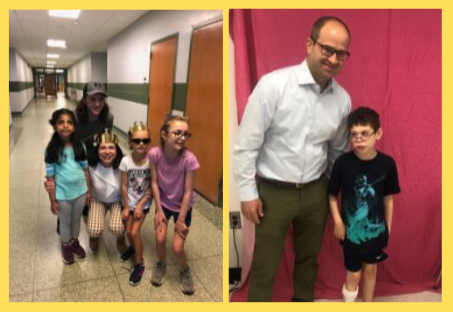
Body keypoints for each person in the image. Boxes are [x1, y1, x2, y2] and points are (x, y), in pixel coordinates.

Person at [233, 16, 352, 301]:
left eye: (341, 53)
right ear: (310, 44)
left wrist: (332, 193)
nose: (333, 59)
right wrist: (248, 193)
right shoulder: (273, 86)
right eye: (327, 49)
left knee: (309, 260)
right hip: (274, 193)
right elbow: (246, 146)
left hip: (316, 192)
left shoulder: (342, 100)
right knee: (265, 265)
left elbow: (337, 152)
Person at [328, 107, 400, 302]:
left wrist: (388, 228)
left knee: (370, 272)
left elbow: (388, 199)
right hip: (350, 231)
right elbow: (332, 195)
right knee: (354, 275)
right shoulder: (343, 163)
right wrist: (338, 222)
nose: (359, 139)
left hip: (376, 233)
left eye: (365, 134)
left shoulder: (387, 164)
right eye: (354, 135)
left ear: (378, 133)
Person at [46, 81, 114, 233]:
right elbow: (61, 142)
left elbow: (106, 140)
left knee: (84, 193)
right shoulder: (74, 118)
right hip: (74, 157)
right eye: (92, 99)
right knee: (68, 191)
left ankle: (84, 210)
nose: (97, 103)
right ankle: (62, 218)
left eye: (101, 99)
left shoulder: (107, 118)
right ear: (84, 99)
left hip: (94, 157)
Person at [148, 115, 200, 295]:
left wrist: (181, 219)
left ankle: (185, 270)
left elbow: (188, 192)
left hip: (182, 206)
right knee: (160, 239)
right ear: (164, 134)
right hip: (163, 203)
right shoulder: (154, 154)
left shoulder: (189, 159)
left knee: (177, 248)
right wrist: (159, 211)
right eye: (177, 132)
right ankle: (161, 263)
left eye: (186, 134)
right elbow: (154, 183)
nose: (182, 137)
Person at [44, 108, 91, 265]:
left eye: (69, 122)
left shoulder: (80, 147)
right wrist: (52, 200)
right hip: (62, 194)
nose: (65, 126)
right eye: (61, 122)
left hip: (81, 192)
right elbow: (50, 178)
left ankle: (74, 242)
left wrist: (89, 192)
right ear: (55, 125)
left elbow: (86, 170)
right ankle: (66, 245)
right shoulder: (51, 150)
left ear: (74, 127)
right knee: (65, 221)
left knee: (76, 219)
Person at [119, 121, 152, 286]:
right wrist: (126, 206)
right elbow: (124, 185)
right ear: (130, 142)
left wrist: (140, 205)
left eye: (145, 141)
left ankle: (140, 264)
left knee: (133, 232)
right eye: (137, 140)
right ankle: (132, 248)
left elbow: (153, 187)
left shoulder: (151, 162)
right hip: (128, 202)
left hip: (143, 204)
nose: (141, 144)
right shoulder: (125, 161)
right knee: (127, 230)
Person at [86, 129, 127, 254]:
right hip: (98, 200)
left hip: (116, 201)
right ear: (97, 150)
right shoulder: (90, 165)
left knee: (117, 227)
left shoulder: (123, 164)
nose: (107, 152)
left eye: (111, 148)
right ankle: (94, 236)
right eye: (103, 148)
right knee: (93, 229)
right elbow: (84, 183)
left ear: (117, 150)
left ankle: (121, 239)